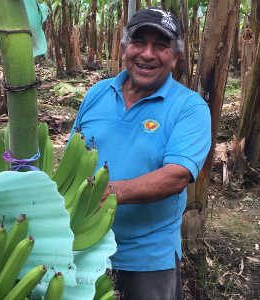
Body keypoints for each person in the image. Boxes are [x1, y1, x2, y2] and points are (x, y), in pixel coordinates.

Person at [70, 7, 211, 300]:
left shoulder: (189, 107)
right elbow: (74, 156)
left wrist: (108, 192)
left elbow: (176, 176)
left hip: (146, 255)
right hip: (84, 243)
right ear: (124, 48)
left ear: (175, 57)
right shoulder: (97, 93)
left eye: (161, 46)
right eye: (139, 42)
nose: (147, 54)